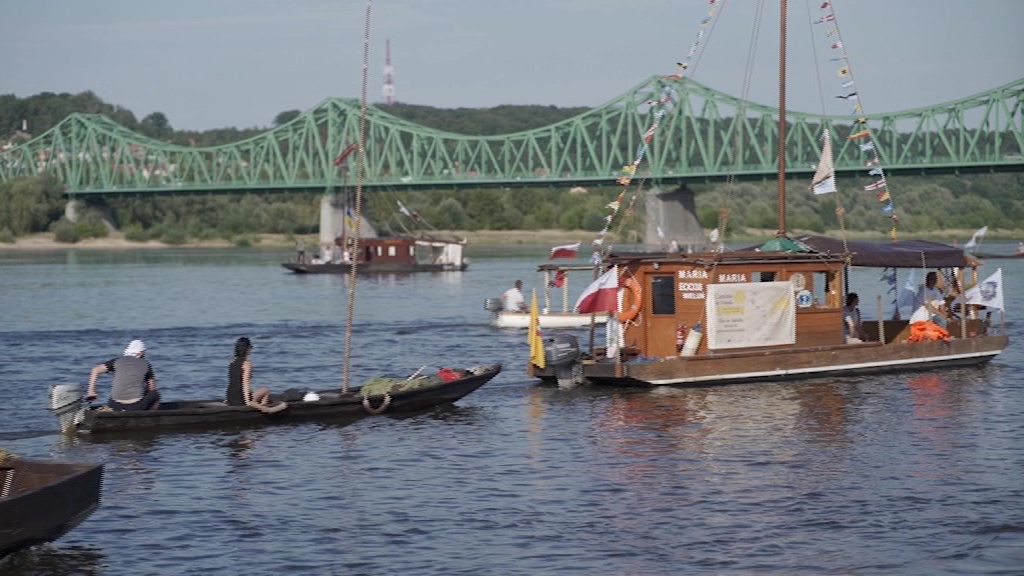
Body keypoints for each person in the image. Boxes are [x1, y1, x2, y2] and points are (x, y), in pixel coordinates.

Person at [87, 339, 160, 411]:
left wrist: (91, 392)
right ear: (140, 353)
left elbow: (95, 370)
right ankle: (148, 416)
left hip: (114, 406)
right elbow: (152, 388)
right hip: (136, 406)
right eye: (144, 353)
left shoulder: (116, 361)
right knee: (155, 394)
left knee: (116, 391)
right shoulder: (146, 364)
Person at [226, 337, 270, 407]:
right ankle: (261, 410)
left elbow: (233, 382)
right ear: (247, 349)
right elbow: (245, 384)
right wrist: (247, 402)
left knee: (253, 391)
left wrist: (227, 399)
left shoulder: (232, 361)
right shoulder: (247, 363)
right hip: (241, 399)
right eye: (251, 347)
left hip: (230, 397)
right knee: (265, 390)